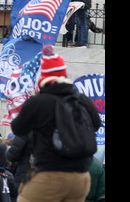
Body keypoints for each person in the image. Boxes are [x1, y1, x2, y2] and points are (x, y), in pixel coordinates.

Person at [10, 46, 101, 202]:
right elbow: (96, 124)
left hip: (50, 174)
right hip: (82, 177)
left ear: (43, 77)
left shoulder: (39, 102)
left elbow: (18, 128)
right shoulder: (82, 99)